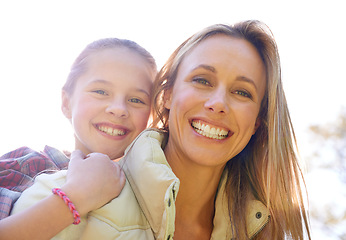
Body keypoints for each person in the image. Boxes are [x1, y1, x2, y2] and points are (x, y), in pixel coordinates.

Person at [11, 20, 311, 239]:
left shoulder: (261, 232)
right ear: (165, 96)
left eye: (242, 92)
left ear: (258, 121)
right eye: (202, 80)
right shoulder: (62, 194)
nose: (218, 103)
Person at [0, 37, 157, 239]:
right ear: (66, 103)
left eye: (136, 99)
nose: (118, 109)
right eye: (101, 91)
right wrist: (78, 195)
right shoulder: (26, 166)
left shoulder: (154, 190)